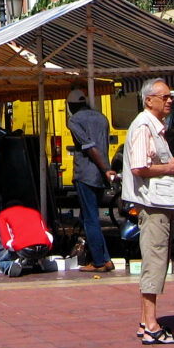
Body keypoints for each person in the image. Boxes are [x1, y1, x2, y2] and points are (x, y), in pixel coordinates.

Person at [121, 77, 174, 344]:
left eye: (170, 96)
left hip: (160, 202)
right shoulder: (143, 126)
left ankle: (145, 320)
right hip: (153, 203)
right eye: (165, 96)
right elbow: (139, 167)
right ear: (149, 100)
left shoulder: (153, 127)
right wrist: (170, 168)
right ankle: (152, 327)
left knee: (156, 259)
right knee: (155, 261)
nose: (170, 100)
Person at [66, 88, 116, 272]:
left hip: (86, 173)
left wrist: (105, 168)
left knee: (90, 219)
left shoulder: (74, 121)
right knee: (90, 215)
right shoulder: (102, 118)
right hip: (101, 175)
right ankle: (106, 258)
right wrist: (105, 169)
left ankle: (98, 262)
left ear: (71, 105)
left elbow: (89, 146)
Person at [0, 202, 54, 277]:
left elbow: (6, 240)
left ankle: (10, 266)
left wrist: (15, 249)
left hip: (25, 248)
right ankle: (40, 261)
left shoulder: (3, 215)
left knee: (1, 261)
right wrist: (49, 247)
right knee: (32, 253)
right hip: (44, 247)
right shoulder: (35, 212)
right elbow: (46, 232)